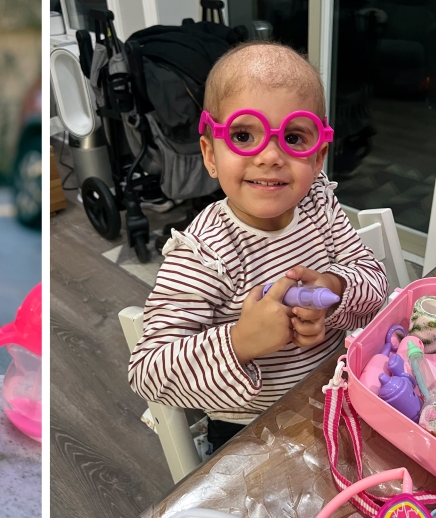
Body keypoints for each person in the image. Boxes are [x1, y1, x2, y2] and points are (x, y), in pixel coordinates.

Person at [128, 41, 388, 451]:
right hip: (252, 432)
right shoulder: (203, 252)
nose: (269, 156)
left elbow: (375, 288)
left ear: (318, 156)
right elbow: (148, 373)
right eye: (244, 134)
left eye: (294, 137)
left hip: (337, 396)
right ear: (210, 153)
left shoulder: (320, 203)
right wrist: (242, 341)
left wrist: (336, 288)